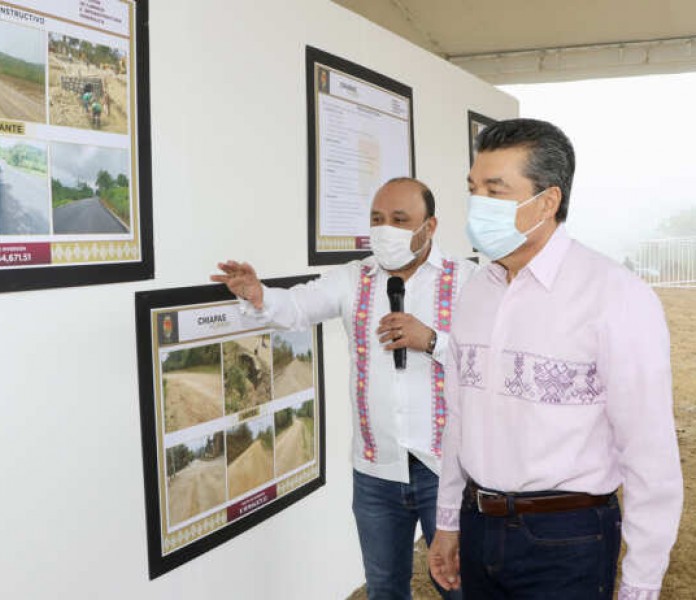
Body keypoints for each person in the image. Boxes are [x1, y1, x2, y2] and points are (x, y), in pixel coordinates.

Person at [427, 118, 683, 599]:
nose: (478, 204)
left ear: (547, 201)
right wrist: (447, 521)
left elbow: (650, 453)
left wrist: (642, 584)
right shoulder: (475, 291)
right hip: (478, 522)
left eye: (496, 190)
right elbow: (457, 418)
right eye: (474, 188)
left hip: (568, 538)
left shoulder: (614, 295)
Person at [212, 178, 476, 600]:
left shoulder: (467, 279)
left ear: (430, 226)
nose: (385, 229)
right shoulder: (355, 277)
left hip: (445, 469)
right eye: (377, 219)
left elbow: (489, 360)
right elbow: (298, 307)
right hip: (376, 470)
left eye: (399, 219)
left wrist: (431, 340)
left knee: (460, 586)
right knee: (385, 587)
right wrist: (258, 295)